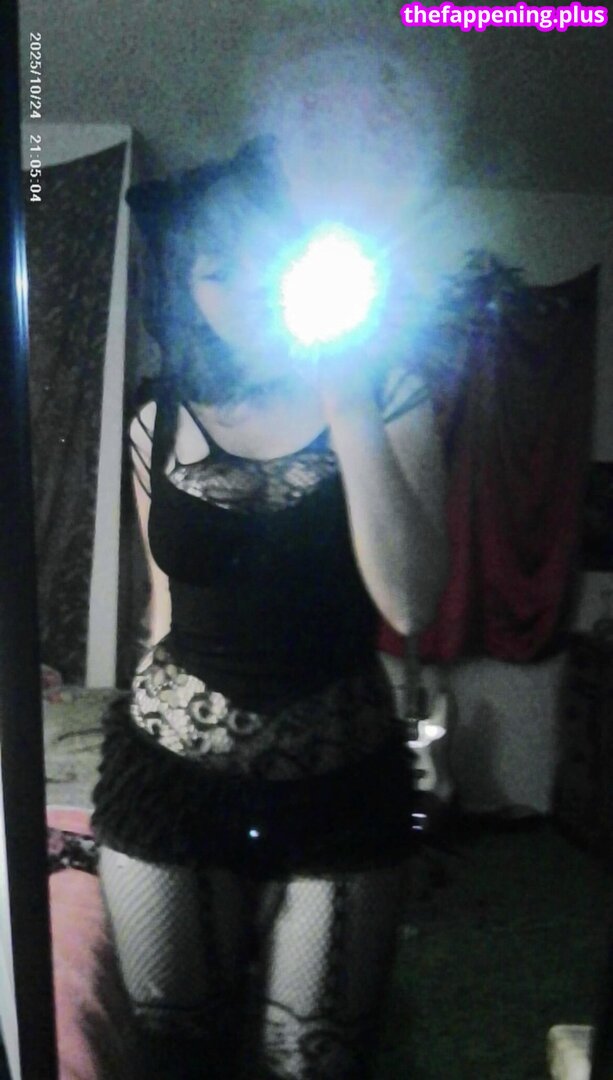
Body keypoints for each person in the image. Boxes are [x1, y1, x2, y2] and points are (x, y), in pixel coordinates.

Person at [91, 135, 448, 1080]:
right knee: (176, 1055)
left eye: (268, 261)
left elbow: (411, 601)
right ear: (189, 288)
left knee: (316, 1062)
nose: (245, 288)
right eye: (218, 270)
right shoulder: (156, 419)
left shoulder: (392, 395)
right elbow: (165, 605)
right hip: (169, 781)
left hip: (340, 786)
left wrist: (348, 399)